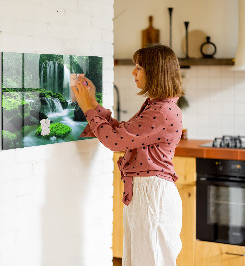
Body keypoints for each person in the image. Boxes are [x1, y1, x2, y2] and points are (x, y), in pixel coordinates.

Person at [72, 44, 184, 266]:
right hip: (147, 193)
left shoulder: (161, 111)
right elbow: (123, 133)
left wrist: (87, 107)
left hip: (152, 195)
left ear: (155, 72)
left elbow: (115, 141)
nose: (133, 72)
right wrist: (93, 103)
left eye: (139, 67)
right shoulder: (157, 106)